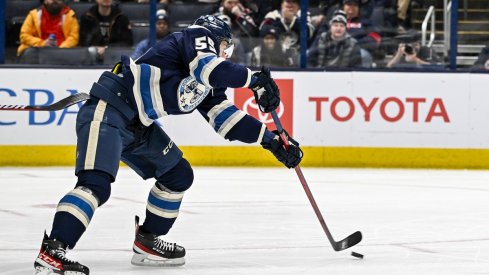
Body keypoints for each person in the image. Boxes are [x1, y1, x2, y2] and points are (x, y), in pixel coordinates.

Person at [33, 15, 303, 275]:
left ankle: (147, 240)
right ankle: (53, 249)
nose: (225, 53)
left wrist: (270, 140)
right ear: (215, 38)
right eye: (224, 46)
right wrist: (253, 80)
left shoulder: (210, 83)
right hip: (110, 109)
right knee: (96, 184)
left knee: (178, 174)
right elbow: (208, 69)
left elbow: (225, 120)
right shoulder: (197, 36)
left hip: (138, 125)